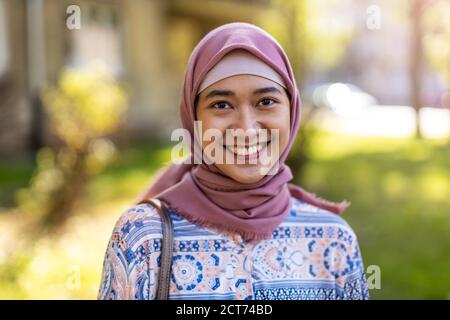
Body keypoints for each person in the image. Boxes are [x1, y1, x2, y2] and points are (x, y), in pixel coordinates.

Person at [98, 22, 369, 300]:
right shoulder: (144, 238)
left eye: (265, 101)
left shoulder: (333, 240)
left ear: (292, 109)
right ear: (194, 118)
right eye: (221, 105)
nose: (247, 129)